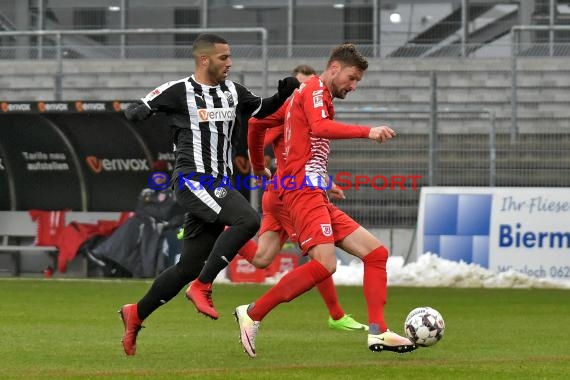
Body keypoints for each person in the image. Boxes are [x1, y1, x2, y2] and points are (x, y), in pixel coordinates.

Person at [118, 33, 300, 356]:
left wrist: (282, 94)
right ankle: (203, 286)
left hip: (218, 185)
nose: (229, 63)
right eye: (223, 58)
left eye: (230, 57)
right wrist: (136, 111)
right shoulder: (179, 91)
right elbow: (144, 104)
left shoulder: (233, 92)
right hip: (192, 180)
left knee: (187, 266)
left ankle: (136, 313)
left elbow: (261, 108)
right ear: (204, 60)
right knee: (248, 219)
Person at [234, 44, 416, 358]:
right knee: (324, 265)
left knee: (376, 253)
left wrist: (260, 165)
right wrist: (367, 131)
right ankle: (253, 312)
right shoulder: (314, 90)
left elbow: (257, 124)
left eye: (358, 81)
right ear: (334, 68)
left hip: (311, 189)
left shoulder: (308, 97)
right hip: (301, 190)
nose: (354, 86)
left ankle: (378, 331)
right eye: (352, 77)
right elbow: (318, 128)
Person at [237, 64, 367, 331]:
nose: (308, 92)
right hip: (290, 192)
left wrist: (326, 182)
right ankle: (335, 314)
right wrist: (262, 166)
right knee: (322, 255)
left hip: (283, 191)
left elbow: (308, 153)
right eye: (300, 86)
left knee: (262, 259)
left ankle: (219, 229)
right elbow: (260, 133)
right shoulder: (288, 113)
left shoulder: (308, 107)